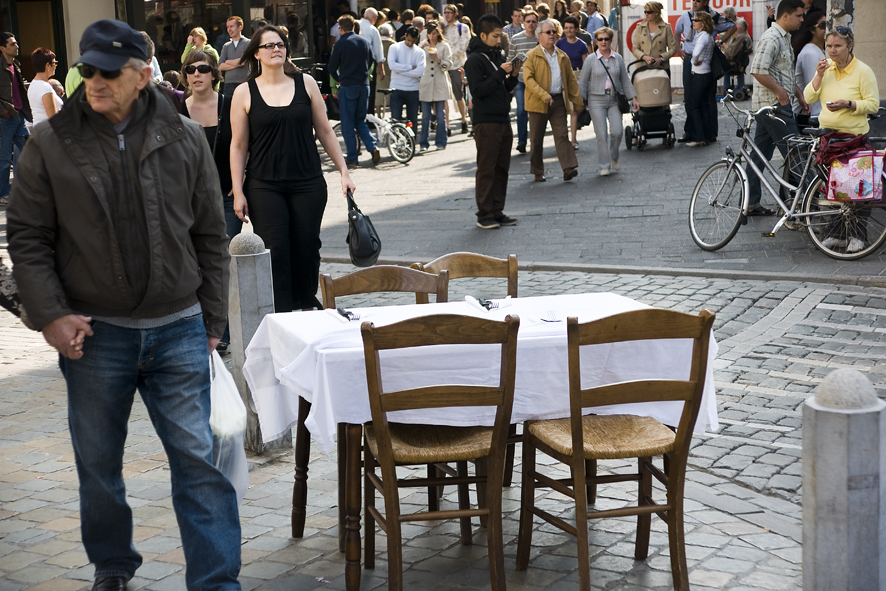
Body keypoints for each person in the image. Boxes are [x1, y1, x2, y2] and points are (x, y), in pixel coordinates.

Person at [7, 19, 241, 591]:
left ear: (142, 74)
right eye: (87, 69)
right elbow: (28, 236)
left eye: (109, 72)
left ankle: (216, 583)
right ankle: (113, 565)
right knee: (98, 467)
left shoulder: (185, 136)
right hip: (96, 334)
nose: (95, 81)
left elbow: (212, 235)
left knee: (199, 463)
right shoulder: (50, 142)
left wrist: (212, 322)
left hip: (180, 327)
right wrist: (51, 316)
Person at [231, 24, 355, 312]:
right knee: (276, 251)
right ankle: (283, 314)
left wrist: (344, 171)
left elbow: (325, 131)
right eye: (269, 45)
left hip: (308, 181)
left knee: (307, 247)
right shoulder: (244, 92)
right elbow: (238, 146)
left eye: (281, 44)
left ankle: (307, 306)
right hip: (264, 184)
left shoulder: (306, 83)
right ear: (257, 54)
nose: (276, 49)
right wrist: (238, 190)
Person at [803, 26, 880, 254]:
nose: (832, 50)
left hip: (853, 138)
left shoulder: (863, 71)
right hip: (829, 137)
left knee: (857, 189)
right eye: (829, 46)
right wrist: (817, 75)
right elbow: (808, 97)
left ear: (850, 46)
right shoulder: (826, 69)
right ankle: (837, 234)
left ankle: (858, 236)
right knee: (834, 189)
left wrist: (849, 104)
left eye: (838, 46)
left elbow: (873, 104)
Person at [745, 0, 809, 216]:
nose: (802, 20)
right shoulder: (772, 38)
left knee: (759, 156)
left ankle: (750, 203)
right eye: (799, 16)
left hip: (773, 107)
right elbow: (758, 70)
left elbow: (784, 73)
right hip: (774, 108)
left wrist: (798, 94)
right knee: (797, 154)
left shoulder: (784, 37)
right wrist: (780, 92)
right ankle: (811, 202)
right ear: (785, 16)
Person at [465, 13, 522, 224]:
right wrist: (499, 73)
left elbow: (503, 88)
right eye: (496, 36)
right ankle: (484, 214)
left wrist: (513, 76)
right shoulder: (474, 60)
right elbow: (478, 91)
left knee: (502, 169)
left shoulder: (496, 55)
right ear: (483, 35)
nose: (500, 40)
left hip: (503, 118)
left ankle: (497, 210)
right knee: (487, 169)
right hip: (486, 122)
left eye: (500, 36)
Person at [524, 19, 582, 182]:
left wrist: (577, 103)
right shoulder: (531, 56)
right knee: (536, 139)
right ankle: (537, 171)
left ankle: (568, 168)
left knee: (562, 135)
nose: (552, 35)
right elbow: (528, 80)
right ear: (539, 36)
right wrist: (544, 95)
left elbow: (571, 81)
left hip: (557, 101)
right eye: (548, 32)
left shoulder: (562, 56)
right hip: (537, 102)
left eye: (554, 32)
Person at [579, 25, 637, 175]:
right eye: (600, 39)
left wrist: (633, 98)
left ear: (611, 40)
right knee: (601, 134)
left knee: (617, 132)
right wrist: (581, 98)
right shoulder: (591, 59)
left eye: (606, 39)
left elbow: (625, 79)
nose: (603, 42)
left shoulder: (617, 58)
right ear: (596, 42)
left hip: (614, 100)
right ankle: (604, 165)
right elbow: (583, 81)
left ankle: (614, 156)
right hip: (595, 100)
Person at [674, 0, 734, 142]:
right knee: (689, 97)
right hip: (689, 58)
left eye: (698, 1)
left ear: (706, 2)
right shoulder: (685, 16)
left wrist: (721, 41)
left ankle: (711, 131)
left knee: (708, 98)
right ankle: (690, 130)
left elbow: (732, 26)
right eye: (693, 0)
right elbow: (677, 31)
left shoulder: (712, 16)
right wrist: (677, 48)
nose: (694, 3)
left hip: (705, 60)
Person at [327, 15, 380, 167]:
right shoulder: (364, 41)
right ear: (354, 26)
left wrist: (338, 78)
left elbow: (331, 67)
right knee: (360, 120)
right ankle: (372, 146)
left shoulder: (340, 44)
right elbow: (371, 60)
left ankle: (352, 157)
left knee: (348, 123)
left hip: (348, 85)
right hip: (364, 85)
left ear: (340, 28)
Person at [418, 21, 453, 151]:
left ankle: (441, 141)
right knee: (425, 116)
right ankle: (424, 143)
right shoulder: (422, 45)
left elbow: (448, 65)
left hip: (439, 83)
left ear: (438, 33)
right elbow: (415, 60)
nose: (432, 36)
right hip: (426, 83)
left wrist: (438, 59)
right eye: (430, 34)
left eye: (434, 33)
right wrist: (421, 48)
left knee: (440, 115)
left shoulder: (444, 46)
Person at [509, 10, 540, 153]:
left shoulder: (540, 38)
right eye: (528, 21)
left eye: (534, 21)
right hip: (520, 80)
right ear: (523, 22)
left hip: (537, 80)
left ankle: (535, 141)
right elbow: (509, 59)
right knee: (521, 110)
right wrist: (509, 80)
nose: (531, 24)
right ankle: (522, 141)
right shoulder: (516, 38)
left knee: (535, 112)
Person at [556, 16, 588, 149]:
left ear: (576, 29)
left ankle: (573, 140)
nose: (568, 30)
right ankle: (563, 140)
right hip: (562, 76)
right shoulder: (559, 43)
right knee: (563, 110)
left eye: (571, 28)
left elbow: (586, 65)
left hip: (578, 76)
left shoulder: (582, 45)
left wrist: (585, 84)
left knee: (574, 110)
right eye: (566, 28)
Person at [684, 11, 715, 146]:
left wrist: (694, 61)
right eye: (693, 19)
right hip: (706, 73)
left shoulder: (703, 36)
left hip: (700, 74)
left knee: (692, 105)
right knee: (702, 105)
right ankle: (706, 135)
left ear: (703, 23)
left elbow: (695, 54)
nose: (693, 22)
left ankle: (699, 137)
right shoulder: (707, 36)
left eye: (696, 20)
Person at [387, 26, 425, 131]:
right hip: (396, 88)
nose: (410, 43)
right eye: (408, 40)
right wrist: (409, 67)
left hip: (412, 89)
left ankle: (410, 139)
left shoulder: (419, 52)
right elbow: (392, 66)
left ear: (416, 39)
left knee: (411, 120)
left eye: (413, 41)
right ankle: (397, 140)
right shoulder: (395, 47)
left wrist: (400, 70)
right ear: (405, 36)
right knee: (396, 119)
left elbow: (420, 72)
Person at [443, 5, 471, 134]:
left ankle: (464, 120)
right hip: (443, 66)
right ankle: (446, 126)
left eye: (449, 12)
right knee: (444, 97)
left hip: (457, 65)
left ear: (455, 14)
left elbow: (462, 48)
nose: (447, 15)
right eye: (445, 12)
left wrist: (447, 53)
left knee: (458, 94)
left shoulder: (462, 28)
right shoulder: (442, 29)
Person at [793, 10, 825, 116]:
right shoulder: (810, 53)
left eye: (829, 25)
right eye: (822, 25)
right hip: (812, 112)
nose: (827, 29)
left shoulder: (821, 50)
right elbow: (812, 86)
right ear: (812, 30)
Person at [631, 2, 676, 70]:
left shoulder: (666, 27)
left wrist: (661, 58)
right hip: (643, 66)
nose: (646, 14)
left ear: (656, 13)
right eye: (645, 12)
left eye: (649, 12)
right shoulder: (640, 27)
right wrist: (644, 57)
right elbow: (635, 48)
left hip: (661, 66)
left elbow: (673, 48)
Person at [27, 48, 63, 128]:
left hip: (40, 132)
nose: (55, 66)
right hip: (48, 133)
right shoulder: (45, 87)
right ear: (47, 65)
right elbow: (53, 118)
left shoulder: (33, 84)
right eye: (54, 63)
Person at [358, 8, 386, 113]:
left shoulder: (356, 25)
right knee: (369, 88)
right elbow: (378, 50)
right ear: (374, 17)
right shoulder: (372, 29)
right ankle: (369, 114)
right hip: (369, 63)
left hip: (354, 61)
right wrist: (381, 68)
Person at [219, 16, 250, 98]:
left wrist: (228, 61)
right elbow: (220, 66)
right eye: (228, 27)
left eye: (231, 26)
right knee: (228, 109)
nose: (229, 29)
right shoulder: (226, 46)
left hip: (244, 83)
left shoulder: (247, 43)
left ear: (240, 27)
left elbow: (243, 62)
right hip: (228, 84)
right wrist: (237, 63)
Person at [722, 18, 753, 97]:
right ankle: (740, 87)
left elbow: (730, 53)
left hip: (734, 63)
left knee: (723, 67)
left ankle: (726, 90)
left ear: (740, 29)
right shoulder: (746, 36)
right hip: (741, 62)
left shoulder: (740, 37)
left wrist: (724, 45)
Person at [376, 23, 396, 116]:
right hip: (391, 72)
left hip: (378, 71)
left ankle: (379, 113)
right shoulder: (394, 44)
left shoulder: (377, 43)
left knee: (378, 96)